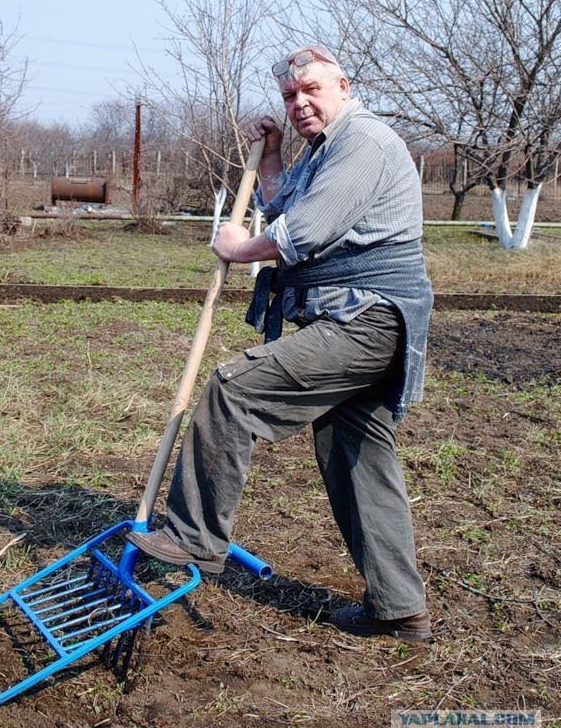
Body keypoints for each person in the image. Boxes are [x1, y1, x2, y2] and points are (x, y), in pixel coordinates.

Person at [128, 45, 433, 641]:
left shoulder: (364, 141)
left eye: (311, 90)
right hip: (360, 322)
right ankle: (399, 607)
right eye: (290, 96)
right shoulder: (327, 149)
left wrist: (239, 248)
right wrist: (271, 154)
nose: (299, 103)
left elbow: (306, 231)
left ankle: (194, 536)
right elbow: (280, 203)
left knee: (233, 389)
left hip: (367, 322)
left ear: (344, 86)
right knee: (357, 458)